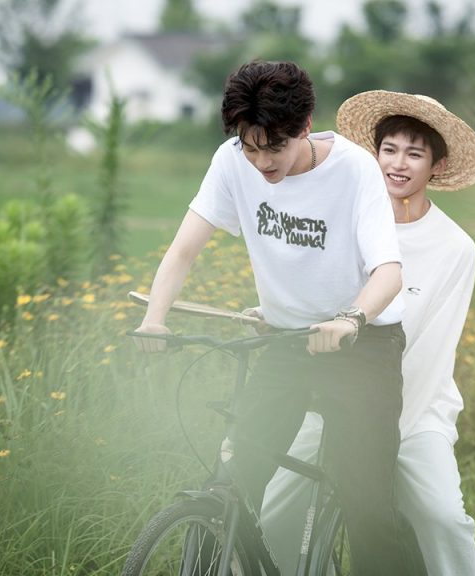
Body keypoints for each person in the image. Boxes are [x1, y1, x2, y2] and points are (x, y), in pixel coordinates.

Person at [132, 63, 422, 573]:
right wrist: (155, 319)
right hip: (286, 342)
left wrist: (350, 319)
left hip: (362, 346)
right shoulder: (230, 162)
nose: (262, 160)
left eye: (275, 146)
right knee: (232, 478)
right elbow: (183, 250)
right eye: (250, 145)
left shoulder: (354, 171)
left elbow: (389, 271)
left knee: (366, 507)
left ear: (305, 125)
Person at [260, 90, 475, 575]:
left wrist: (383, 424)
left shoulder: (455, 248)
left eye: (415, 152)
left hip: (414, 411)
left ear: (436, 165)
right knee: (274, 510)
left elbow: (431, 349)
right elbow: (311, 297)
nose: (398, 164)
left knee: (445, 519)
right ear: (375, 154)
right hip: (332, 395)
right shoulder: (348, 222)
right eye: (389, 150)